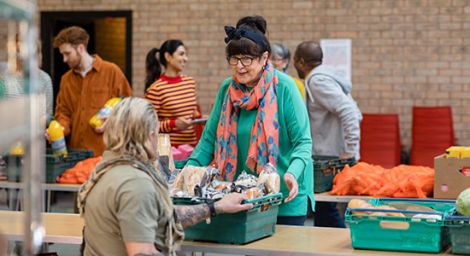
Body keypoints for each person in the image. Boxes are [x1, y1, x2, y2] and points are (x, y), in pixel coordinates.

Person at [77, 97, 252, 256]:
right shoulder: (135, 184)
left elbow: (160, 215)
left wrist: (217, 207)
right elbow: (141, 253)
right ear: (149, 135)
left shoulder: (105, 170)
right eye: (156, 131)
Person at [186, 16, 314, 226]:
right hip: (241, 197)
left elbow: (303, 141)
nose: (240, 66)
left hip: (283, 195)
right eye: (234, 59)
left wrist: (292, 173)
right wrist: (189, 170)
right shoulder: (227, 90)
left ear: (265, 58)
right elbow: (209, 140)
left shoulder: (284, 88)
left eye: (247, 59)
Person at [294, 41, 362, 228]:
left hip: (331, 157)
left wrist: (351, 150)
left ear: (300, 62)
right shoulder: (326, 76)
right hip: (330, 154)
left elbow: (349, 111)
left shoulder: (317, 81)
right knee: (323, 210)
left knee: (326, 209)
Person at [53, 26, 132, 156]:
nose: (64, 59)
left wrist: (112, 120)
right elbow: (63, 113)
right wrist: (59, 130)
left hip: (106, 153)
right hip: (76, 154)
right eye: (62, 54)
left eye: (67, 53)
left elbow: (130, 106)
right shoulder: (66, 80)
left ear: (80, 48)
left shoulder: (112, 71)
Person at [145, 40, 201, 147]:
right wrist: (173, 124)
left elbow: (192, 113)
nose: (186, 59)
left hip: (192, 150)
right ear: (168, 57)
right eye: (181, 54)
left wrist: (200, 118)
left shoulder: (190, 82)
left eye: (186, 55)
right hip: (168, 152)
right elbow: (148, 125)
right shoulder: (156, 89)